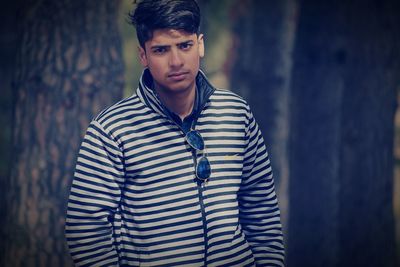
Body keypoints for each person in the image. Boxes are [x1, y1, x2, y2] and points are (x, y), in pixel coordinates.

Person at [65, 0, 285, 266]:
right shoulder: (111, 130)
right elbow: (86, 229)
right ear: (143, 56)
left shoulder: (236, 113)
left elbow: (261, 209)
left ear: (200, 44)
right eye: (161, 50)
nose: (176, 61)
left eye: (185, 45)